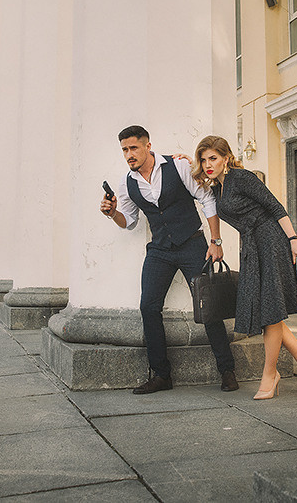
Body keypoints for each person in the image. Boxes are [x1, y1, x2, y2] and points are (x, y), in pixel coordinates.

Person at [100, 125, 238, 394]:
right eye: (124, 150)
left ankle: (227, 370)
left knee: (208, 304)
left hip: (192, 243)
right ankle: (161, 375)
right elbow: (128, 222)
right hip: (160, 249)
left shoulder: (178, 166)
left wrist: (216, 241)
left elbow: (206, 199)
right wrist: (112, 213)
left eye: (133, 148)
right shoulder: (127, 182)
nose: (129, 154)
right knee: (148, 307)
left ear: (147, 146)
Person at [192, 135, 297, 400]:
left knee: (270, 310)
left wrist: (293, 240)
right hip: (252, 246)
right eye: (203, 159)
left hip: (271, 241)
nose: (208, 164)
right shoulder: (219, 188)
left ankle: (270, 374)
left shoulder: (242, 178)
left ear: (226, 157)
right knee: (268, 309)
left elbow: (274, 206)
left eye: (213, 158)